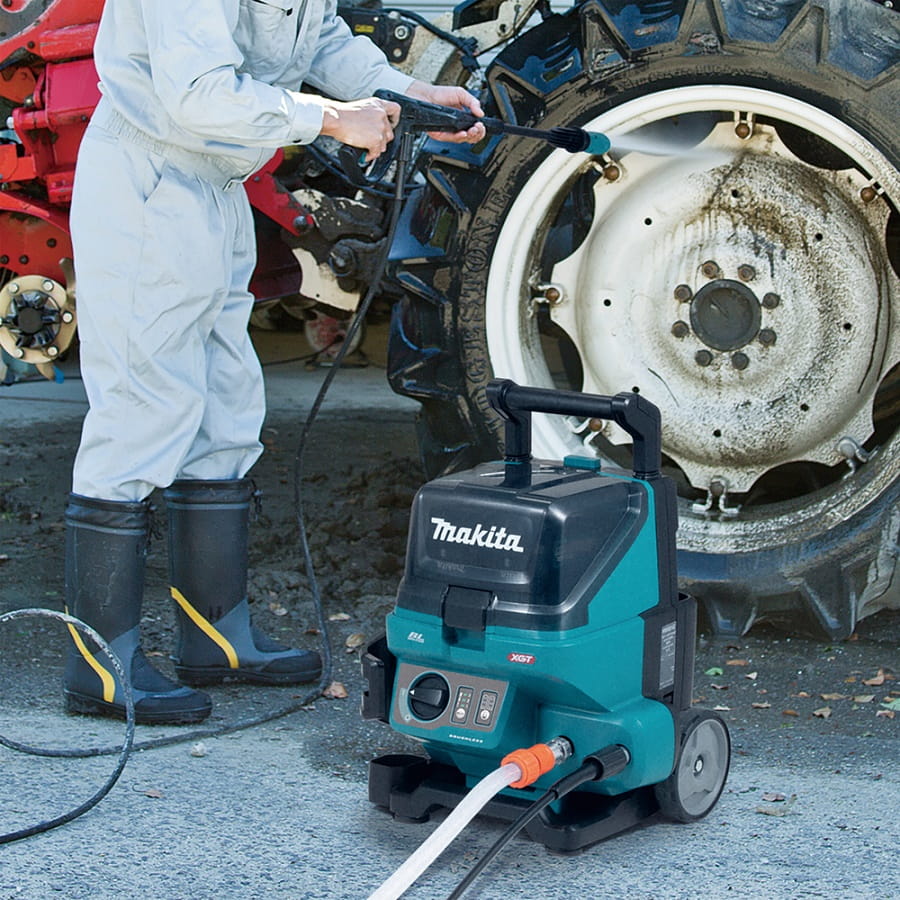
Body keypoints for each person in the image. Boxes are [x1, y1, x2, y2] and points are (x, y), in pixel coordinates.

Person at [63, 0, 484, 725]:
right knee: (142, 410)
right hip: (150, 177)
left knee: (226, 410)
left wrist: (407, 93)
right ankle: (100, 663)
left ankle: (216, 639)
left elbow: (315, 37)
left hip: (215, 184)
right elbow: (197, 93)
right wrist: (332, 119)